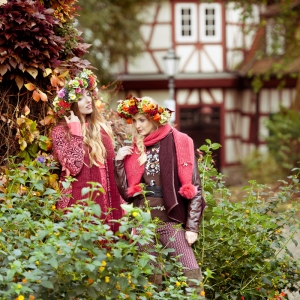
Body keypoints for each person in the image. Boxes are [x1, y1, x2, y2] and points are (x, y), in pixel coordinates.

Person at [114, 95, 206, 293]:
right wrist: (119, 162)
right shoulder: (135, 148)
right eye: (134, 120)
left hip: (169, 220)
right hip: (143, 224)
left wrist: (192, 227)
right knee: (151, 282)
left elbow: (195, 188)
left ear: (154, 119)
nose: (137, 126)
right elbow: (127, 194)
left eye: (142, 120)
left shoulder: (178, 142)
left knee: (192, 274)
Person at [51, 69, 123, 232]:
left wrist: (121, 209)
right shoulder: (60, 132)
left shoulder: (102, 130)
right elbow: (73, 168)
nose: (87, 100)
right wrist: (76, 132)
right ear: (71, 104)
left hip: (104, 205)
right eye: (80, 97)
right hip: (76, 206)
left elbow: (112, 173)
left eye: (88, 95)